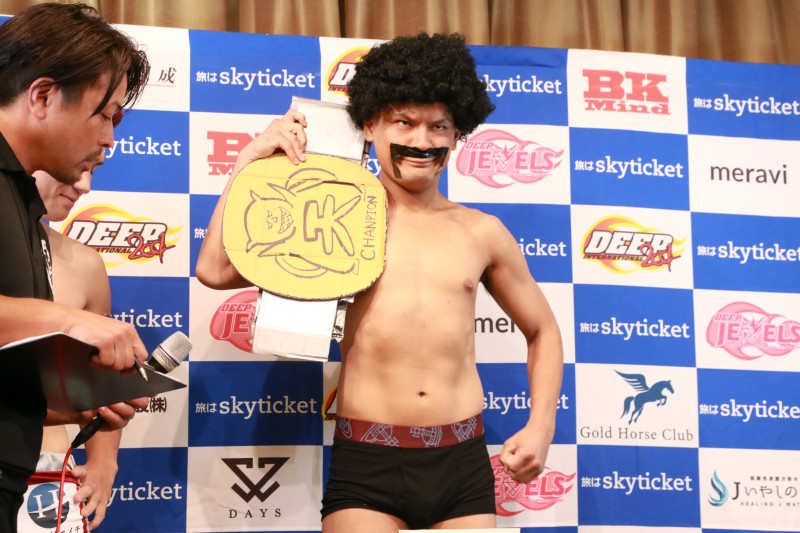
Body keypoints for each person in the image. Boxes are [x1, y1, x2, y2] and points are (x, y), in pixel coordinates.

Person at [196, 33, 564, 532]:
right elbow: (215, 271)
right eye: (404, 122)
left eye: (439, 126)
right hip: (367, 461)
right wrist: (247, 163)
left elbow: (543, 330)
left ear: (457, 133)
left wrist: (542, 425)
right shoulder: (331, 217)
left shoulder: (483, 232)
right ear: (370, 125)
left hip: (463, 463)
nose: (422, 141)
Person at [0, 3, 150, 530]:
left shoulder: (23, 203)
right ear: (42, 96)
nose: (109, 140)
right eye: (105, 116)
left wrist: (78, 405)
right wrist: (69, 320)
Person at [15, 169, 123, 532]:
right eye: (76, 167)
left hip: (45, 479)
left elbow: (99, 380)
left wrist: (104, 460)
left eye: (92, 169)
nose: (84, 185)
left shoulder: (84, 264)